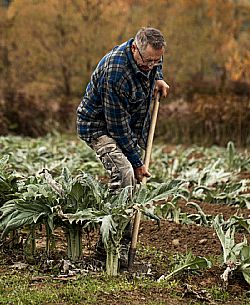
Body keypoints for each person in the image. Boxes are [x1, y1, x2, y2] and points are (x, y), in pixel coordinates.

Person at [76, 27, 169, 268]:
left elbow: (155, 64)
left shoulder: (151, 57)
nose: (151, 65)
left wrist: (158, 76)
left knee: (133, 181)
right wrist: (137, 163)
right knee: (125, 173)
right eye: (147, 61)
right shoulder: (115, 72)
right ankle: (106, 248)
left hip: (127, 123)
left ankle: (124, 243)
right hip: (99, 126)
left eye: (156, 61)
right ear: (135, 49)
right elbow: (117, 128)